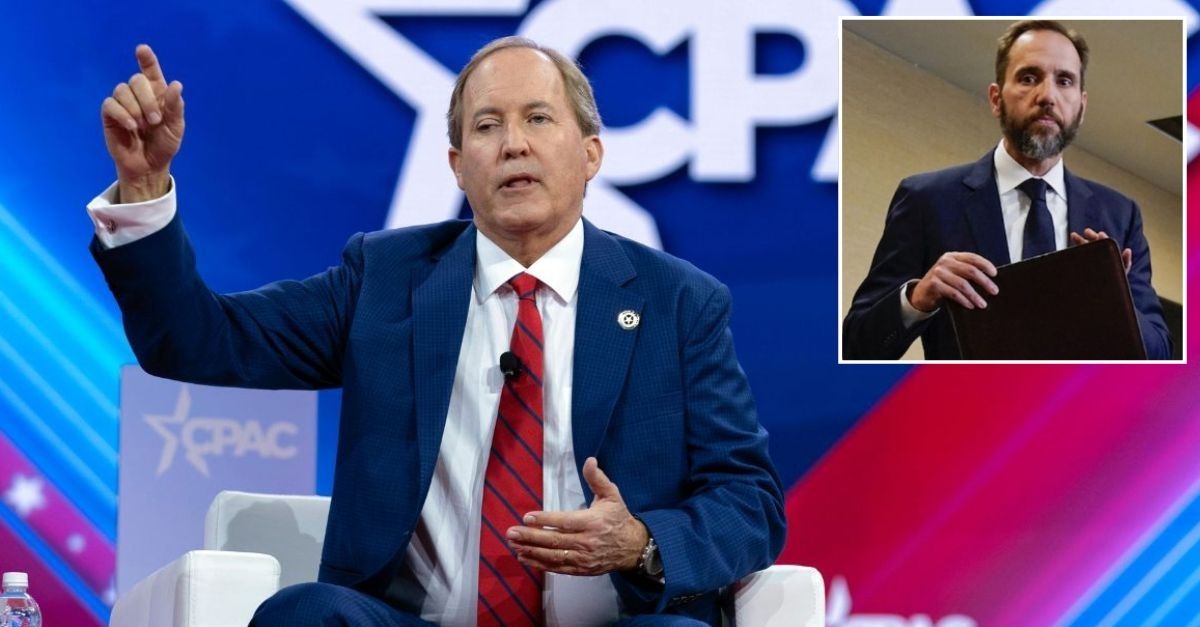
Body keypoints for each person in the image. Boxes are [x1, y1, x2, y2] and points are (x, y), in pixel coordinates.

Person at [90, 37, 785, 626]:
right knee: (304, 614)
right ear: (457, 165)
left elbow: (749, 500)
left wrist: (639, 541)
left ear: (591, 153)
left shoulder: (679, 303)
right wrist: (146, 192)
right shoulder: (388, 280)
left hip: (613, 622)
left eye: (538, 118)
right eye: (486, 126)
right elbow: (199, 339)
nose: (513, 143)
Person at [842, 20, 1172, 360]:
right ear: (996, 99)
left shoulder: (1121, 215)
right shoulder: (927, 198)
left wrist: (1115, 301)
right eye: (1029, 78)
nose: (1047, 96)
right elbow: (855, 346)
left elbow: (1162, 354)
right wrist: (916, 299)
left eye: (1064, 81)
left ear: (1082, 106)